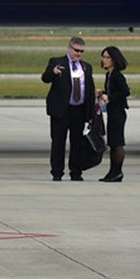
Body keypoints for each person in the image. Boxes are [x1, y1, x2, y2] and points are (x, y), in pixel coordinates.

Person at [41, 35, 96, 181]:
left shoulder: (86, 67)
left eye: (81, 51)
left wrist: (90, 113)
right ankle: (57, 172)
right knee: (58, 142)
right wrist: (53, 72)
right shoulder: (57, 62)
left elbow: (90, 89)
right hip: (61, 110)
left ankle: (76, 172)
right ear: (69, 49)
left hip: (79, 110)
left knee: (77, 143)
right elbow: (45, 78)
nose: (79, 54)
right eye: (76, 50)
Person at [98, 46, 130, 182]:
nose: (104, 60)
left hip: (118, 113)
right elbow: (112, 92)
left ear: (114, 60)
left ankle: (117, 172)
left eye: (107, 57)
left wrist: (109, 97)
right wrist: (103, 93)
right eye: (103, 57)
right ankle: (112, 172)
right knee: (112, 143)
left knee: (117, 143)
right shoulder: (109, 74)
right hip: (112, 112)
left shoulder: (117, 75)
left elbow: (125, 91)